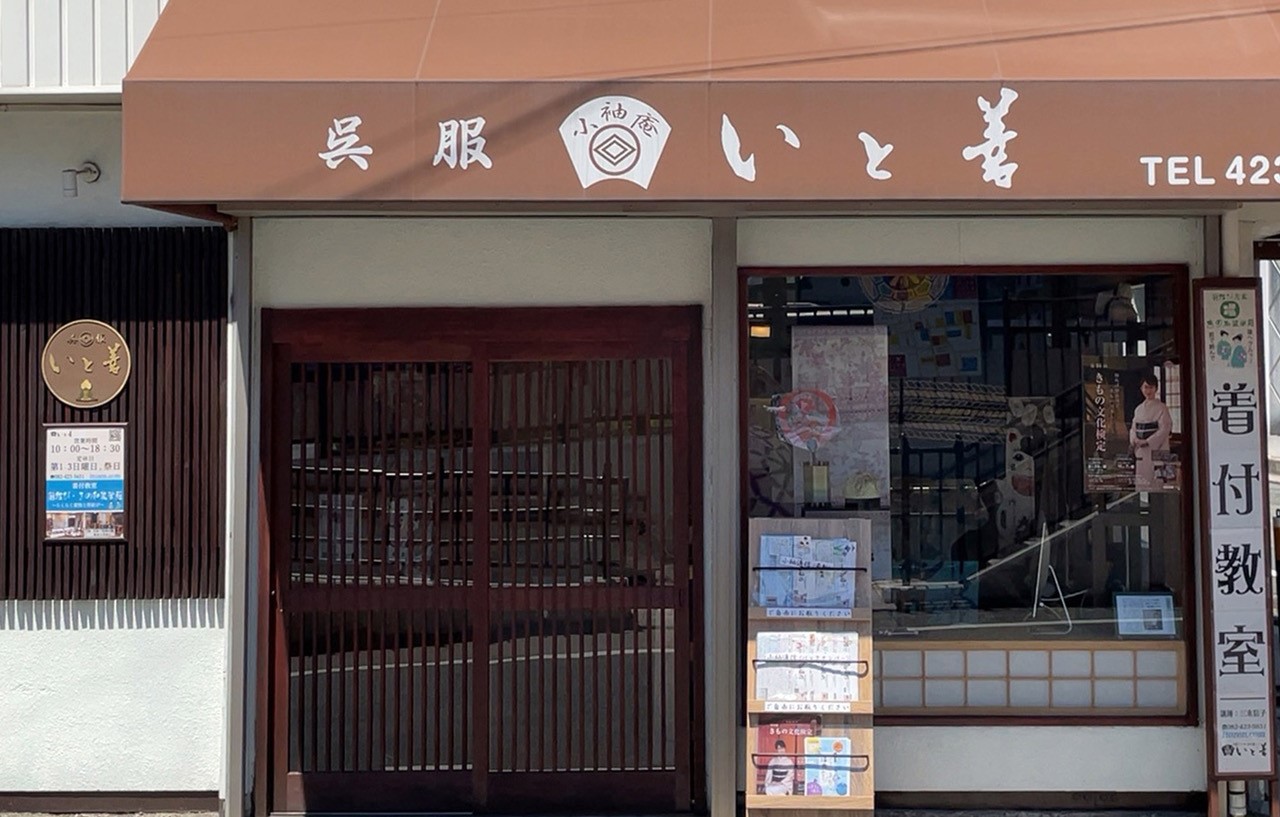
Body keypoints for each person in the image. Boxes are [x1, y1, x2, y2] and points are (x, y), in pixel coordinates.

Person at [1129, 372, 1172, 490]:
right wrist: (1135, 439)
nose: (1148, 391)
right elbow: (1133, 428)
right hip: (1141, 449)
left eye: (1151, 387)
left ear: (1156, 389)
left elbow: (1165, 429)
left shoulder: (1162, 407)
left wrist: (1148, 441)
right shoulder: (1138, 409)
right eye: (1145, 387)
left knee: (1156, 482)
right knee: (1142, 482)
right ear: (1141, 389)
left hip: (1156, 449)